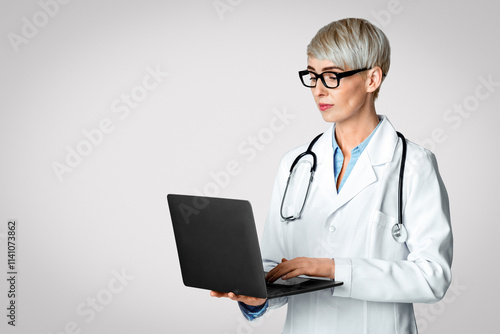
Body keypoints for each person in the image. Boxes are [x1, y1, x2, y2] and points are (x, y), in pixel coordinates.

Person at [211, 17, 453, 333]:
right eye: (312, 77)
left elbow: (432, 277)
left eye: (332, 77)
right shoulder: (295, 163)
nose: (319, 90)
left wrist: (333, 269)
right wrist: (257, 296)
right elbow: (274, 269)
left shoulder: (413, 164)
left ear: (372, 79)